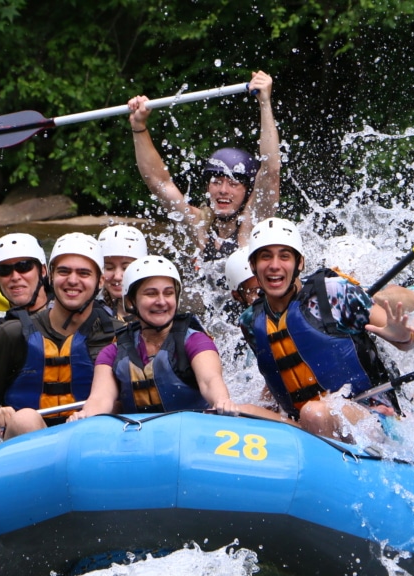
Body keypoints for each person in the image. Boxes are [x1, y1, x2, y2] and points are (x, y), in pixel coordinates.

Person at [238, 218, 414, 440]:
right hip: (306, 424)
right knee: (246, 411)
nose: (274, 265)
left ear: (300, 263)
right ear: (252, 265)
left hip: (373, 415)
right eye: (265, 256)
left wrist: (402, 336)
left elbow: (408, 340)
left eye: (284, 256)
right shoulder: (251, 321)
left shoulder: (333, 293)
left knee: (314, 412)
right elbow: (280, 371)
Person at [72, 255, 283, 421]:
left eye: (168, 293)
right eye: (151, 294)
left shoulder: (195, 341)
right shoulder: (113, 352)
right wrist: (86, 414)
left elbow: (210, 380)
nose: (162, 302)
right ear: (132, 301)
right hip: (137, 437)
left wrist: (221, 401)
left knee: (245, 409)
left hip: (192, 434)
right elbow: (100, 398)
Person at [0, 232, 118, 440]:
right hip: (29, 438)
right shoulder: (11, 333)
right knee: (25, 419)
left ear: (100, 281)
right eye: (64, 272)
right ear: (51, 276)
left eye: (84, 273)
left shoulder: (118, 334)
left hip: (92, 437)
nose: (73, 280)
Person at [126, 70, 281, 263]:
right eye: (216, 182)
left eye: (233, 184)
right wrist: (138, 126)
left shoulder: (254, 223)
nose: (223, 191)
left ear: (248, 191)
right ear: (207, 187)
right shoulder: (199, 224)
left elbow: (271, 171)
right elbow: (159, 183)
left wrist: (264, 103)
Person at [0, 233, 52, 365]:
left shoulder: (78, 316)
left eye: (24, 266)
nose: (15, 276)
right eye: (4, 270)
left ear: (43, 271)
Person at [98, 224, 149, 322]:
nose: (117, 276)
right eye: (108, 268)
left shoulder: (159, 310)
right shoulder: (89, 310)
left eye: (126, 268)